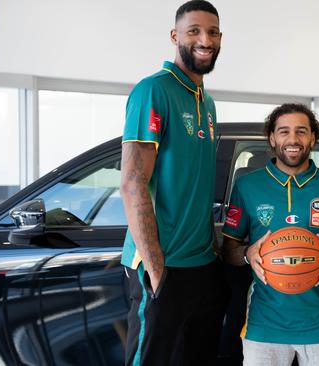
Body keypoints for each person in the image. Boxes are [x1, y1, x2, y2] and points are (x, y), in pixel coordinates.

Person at [119, 1, 227, 365]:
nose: (204, 39)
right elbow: (133, 183)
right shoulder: (154, 90)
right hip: (163, 267)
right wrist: (155, 269)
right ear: (175, 36)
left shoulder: (207, 103)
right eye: (194, 30)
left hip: (201, 266)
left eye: (212, 32)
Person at [222, 103, 319, 366]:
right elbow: (229, 250)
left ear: (313, 138)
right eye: (284, 131)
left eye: (301, 131)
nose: (293, 139)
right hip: (264, 323)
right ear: (272, 138)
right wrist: (246, 254)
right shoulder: (247, 187)